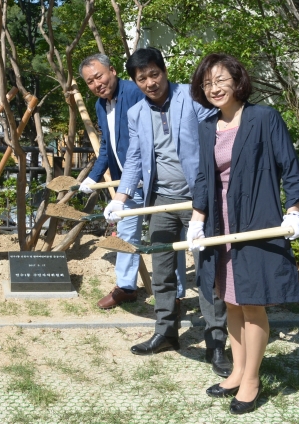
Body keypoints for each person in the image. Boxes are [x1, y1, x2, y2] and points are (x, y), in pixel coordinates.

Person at [187, 53, 299, 414]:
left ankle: (253, 378)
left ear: (237, 79)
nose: (214, 88)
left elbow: (290, 165)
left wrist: (294, 210)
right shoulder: (208, 125)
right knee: (230, 300)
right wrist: (197, 220)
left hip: (255, 220)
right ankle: (238, 370)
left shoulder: (263, 118)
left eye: (220, 79)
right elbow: (204, 178)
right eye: (207, 83)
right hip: (218, 225)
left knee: (252, 301)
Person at [112, 47, 232, 378]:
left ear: (164, 71)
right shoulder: (136, 114)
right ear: (135, 82)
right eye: (142, 78)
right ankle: (165, 333)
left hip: (199, 201)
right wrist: (121, 198)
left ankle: (216, 342)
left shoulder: (192, 98)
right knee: (162, 271)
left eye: (154, 74)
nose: (150, 82)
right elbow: (135, 159)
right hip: (161, 202)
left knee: (207, 273)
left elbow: (218, 137)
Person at [78, 53, 157, 309]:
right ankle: (126, 287)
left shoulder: (135, 92)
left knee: (163, 232)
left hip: (155, 178)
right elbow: (106, 148)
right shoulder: (101, 106)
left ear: (112, 70)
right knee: (125, 233)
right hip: (126, 184)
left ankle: (173, 293)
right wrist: (92, 176)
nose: (96, 84)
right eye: (90, 81)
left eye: (99, 76)